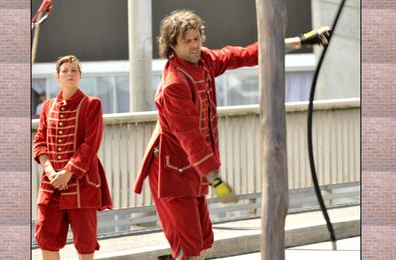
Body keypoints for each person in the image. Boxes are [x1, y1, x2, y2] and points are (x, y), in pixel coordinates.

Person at [133, 10, 331, 260]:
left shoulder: (204, 60)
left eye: (197, 38)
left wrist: (301, 40)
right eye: (187, 41)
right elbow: (189, 136)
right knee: (189, 247)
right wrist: (215, 179)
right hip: (171, 173)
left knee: (203, 243)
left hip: (193, 171)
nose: (195, 45)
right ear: (172, 46)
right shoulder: (174, 84)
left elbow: (244, 55)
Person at [33, 55, 113, 260]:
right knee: (46, 236)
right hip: (51, 183)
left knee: (85, 242)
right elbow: (39, 141)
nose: (70, 74)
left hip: (82, 183)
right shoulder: (47, 106)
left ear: (80, 75)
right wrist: (50, 170)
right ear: (57, 76)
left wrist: (67, 172)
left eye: (74, 70)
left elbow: (90, 145)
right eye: (65, 71)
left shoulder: (92, 103)